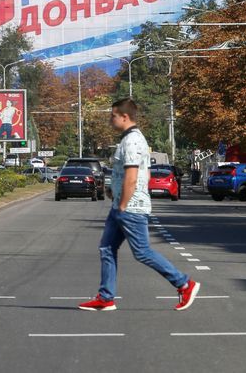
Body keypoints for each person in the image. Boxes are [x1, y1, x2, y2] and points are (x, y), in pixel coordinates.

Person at [79, 98, 199, 312]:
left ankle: (184, 283)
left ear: (124, 117)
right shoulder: (130, 139)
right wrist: (114, 191)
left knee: (142, 252)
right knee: (107, 248)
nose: (110, 120)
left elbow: (132, 177)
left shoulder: (132, 141)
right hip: (121, 204)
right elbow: (146, 173)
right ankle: (106, 297)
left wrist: (123, 204)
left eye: (113, 116)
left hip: (130, 207)